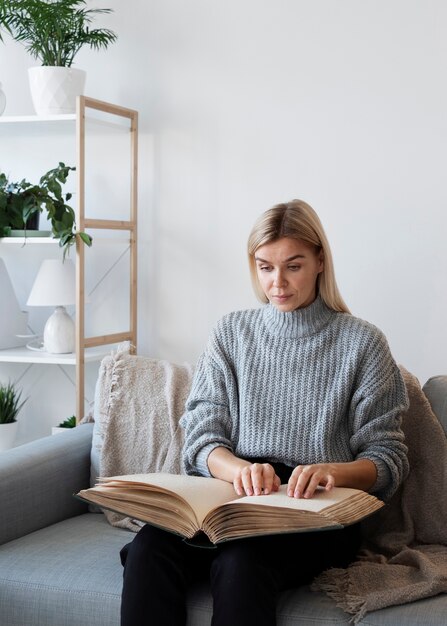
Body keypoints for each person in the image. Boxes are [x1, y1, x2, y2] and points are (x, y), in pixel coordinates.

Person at [120, 199, 409, 626]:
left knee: (242, 561)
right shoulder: (231, 332)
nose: (278, 283)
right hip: (236, 495)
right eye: (265, 267)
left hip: (317, 506)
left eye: (293, 266)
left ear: (319, 262)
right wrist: (237, 469)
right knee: (147, 550)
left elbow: (388, 457)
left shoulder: (362, 343)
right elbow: (202, 437)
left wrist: (333, 471)